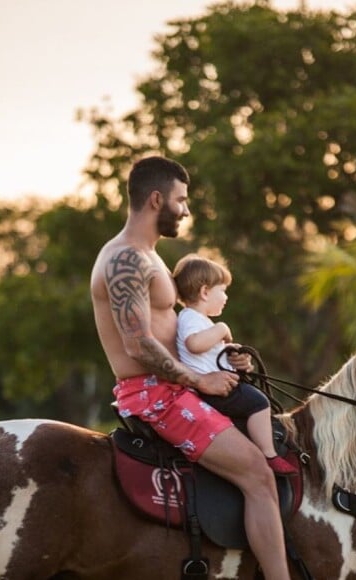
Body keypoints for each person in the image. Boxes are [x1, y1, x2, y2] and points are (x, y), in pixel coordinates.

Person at [90, 155, 291, 580]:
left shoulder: (149, 256)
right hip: (156, 395)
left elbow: (174, 335)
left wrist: (218, 360)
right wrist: (199, 379)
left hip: (172, 385)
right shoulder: (126, 259)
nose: (185, 209)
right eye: (181, 200)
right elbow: (139, 342)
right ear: (157, 199)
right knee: (259, 474)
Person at [173, 253, 297, 476]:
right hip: (212, 392)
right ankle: (269, 454)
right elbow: (194, 344)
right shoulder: (190, 318)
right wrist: (221, 329)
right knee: (258, 402)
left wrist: (231, 352)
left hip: (217, 386)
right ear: (204, 292)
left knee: (254, 397)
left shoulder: (199, 320)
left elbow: (208, 350)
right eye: (223, 290)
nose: (226, 296)